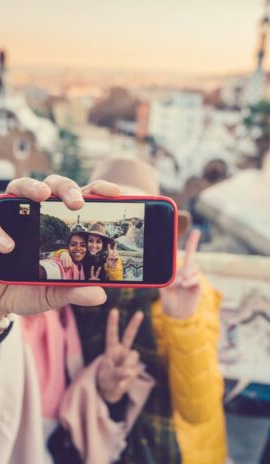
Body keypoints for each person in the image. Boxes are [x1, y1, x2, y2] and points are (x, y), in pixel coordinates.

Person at [0, 176, 153, 463]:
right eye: (89, 240)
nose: (91, 246)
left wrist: (105, 391)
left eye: (100, 241)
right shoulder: (34, 288)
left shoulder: (86, 315)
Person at [70, 158, 227, 464]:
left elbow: (198, 411)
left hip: (176, 452)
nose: (116, 239)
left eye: (133, 223)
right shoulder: (74, 291)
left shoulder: (187, 288)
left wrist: (183, 322)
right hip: (104, 445)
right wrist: (104, 387)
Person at [55, 222, 123, 281]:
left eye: (98, 242)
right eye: (90, 241)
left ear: (103, 244)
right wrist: (63, 253)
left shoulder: (111, 258)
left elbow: (118, 284)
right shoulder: (83, 254)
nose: (94, 245)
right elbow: (68, 252)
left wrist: (113, 269)